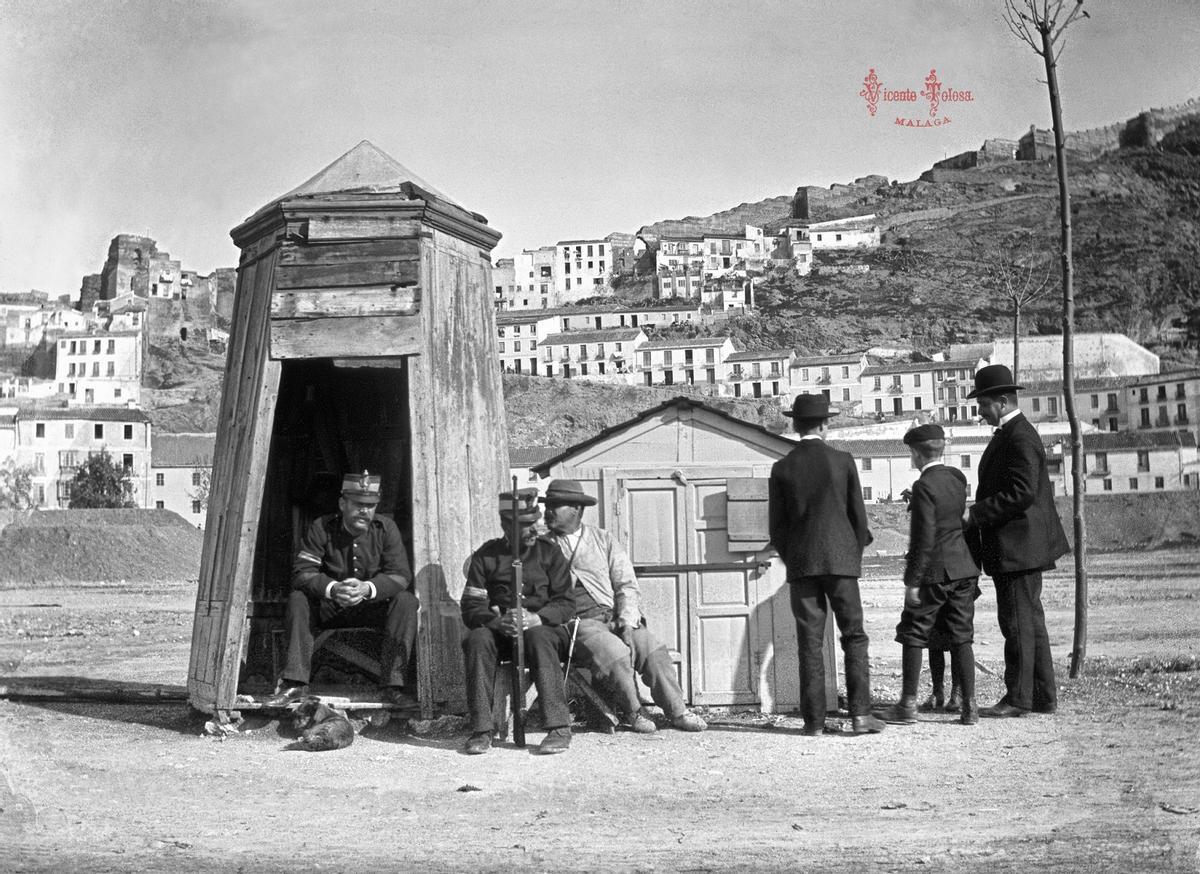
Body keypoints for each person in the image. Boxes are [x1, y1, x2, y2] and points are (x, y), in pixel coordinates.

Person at [539, 478, 707, 733]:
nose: (547, 511)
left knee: (652, 650)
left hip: (614, 617)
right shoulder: (540, 546)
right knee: (615, 654)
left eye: (556, 506)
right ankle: (634, 712)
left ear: (576, 509)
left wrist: (628, 620)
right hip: (578, 624)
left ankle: (678, 711)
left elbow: (626, 583)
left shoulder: (602, 539)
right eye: (547, 505)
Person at [765, 394, 885, 736]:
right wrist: (850, 555)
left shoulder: (781, 468)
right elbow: (859, 520)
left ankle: (814, 722)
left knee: (810, 643)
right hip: (842, 563)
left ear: (794, 424)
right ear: (824, 424)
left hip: (803, 565)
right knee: (854, 636)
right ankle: (861, 716)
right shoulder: (842, 460)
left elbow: (777, 529)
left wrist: (795, 559)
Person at [964, 365, 1069, 718]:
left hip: (1019, 547)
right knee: (1031, 622)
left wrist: (975, 514)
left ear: (1004, 400)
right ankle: (1043, 696)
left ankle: (1019, 698)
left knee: (1017, 623)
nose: (980, 410)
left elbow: (1022, 493)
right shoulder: (1011, 433)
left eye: (984, 403)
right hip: (1019, 546)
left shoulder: (1019, 436)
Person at [267, 471, 419, 708]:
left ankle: (393, 686)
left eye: (370, 505)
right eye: (358, 504)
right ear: (342, 503)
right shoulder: (322, 527)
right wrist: (332, 588)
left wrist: (368, 589)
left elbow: (401, 576)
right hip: (330, 609)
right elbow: (302, 572)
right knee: (298, 598)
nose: (364, 511)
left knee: (406, 601)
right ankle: (295, 684)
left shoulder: (386, 528)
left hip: (371, 607)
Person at [460, 489, 577, 755]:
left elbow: (567, 603)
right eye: (525, 524)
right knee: (477, 639)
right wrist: (496, 621)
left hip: (543, 633)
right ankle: (481, 730)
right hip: (503, 633)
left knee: (539, 636)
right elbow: (470, 607)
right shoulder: (486, 556)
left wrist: (538, 618)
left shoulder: (550, 554)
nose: (535, 528)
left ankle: (558, 727)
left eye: (535, 520)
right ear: (506, 525)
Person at [882, 424, 980, 726]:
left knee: (913, 631)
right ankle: (970, 707)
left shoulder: (924, 486)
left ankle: (907, 706)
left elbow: (923, 538)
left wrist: (912, 581)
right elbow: (957, 520)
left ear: (915, 453)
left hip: (935, 571)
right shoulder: (957, 478)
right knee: (962, 636)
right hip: (964, 568)